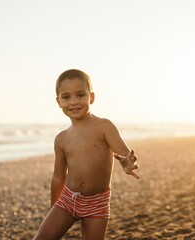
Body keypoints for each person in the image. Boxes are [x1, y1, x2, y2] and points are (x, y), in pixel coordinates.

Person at [33, 69, 140, 240]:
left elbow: (124, 153)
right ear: (58, 102)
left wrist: (127, 163)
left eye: (80, 95)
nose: (74, 102)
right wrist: (54, 208)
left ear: (91, 97)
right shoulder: (61, 139)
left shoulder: (104, 126)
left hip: (97, 203)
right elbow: (58, 177)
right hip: (67, 200)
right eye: (66, 97)